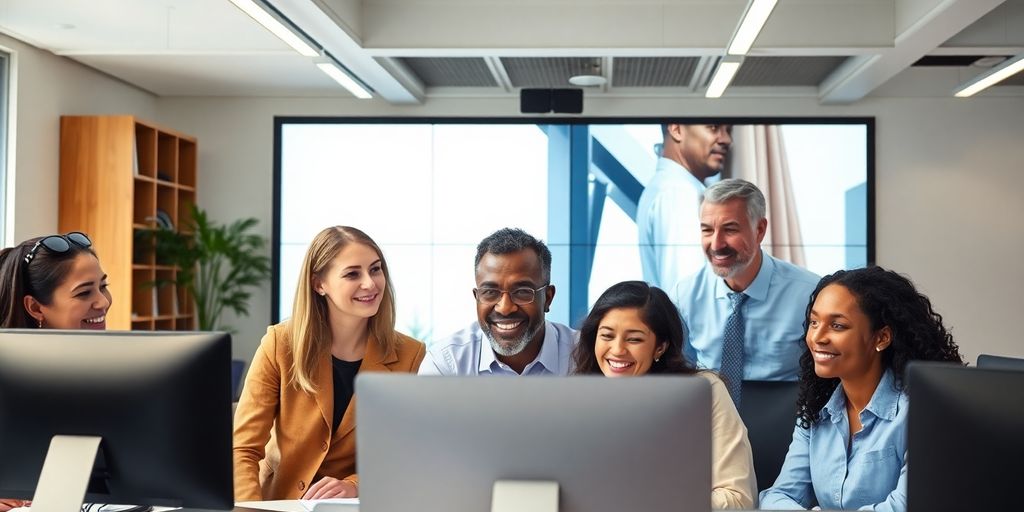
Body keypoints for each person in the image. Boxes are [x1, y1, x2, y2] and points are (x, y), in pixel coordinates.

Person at [233, 226, 425, 501]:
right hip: (280, 503)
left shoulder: (410, 354)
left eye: (375, 269)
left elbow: (405, 452)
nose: (370, 283)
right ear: (318, 284)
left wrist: (356, 485)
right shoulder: (280, 344)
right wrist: (248, 510)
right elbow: (244, 448)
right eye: (352, 274)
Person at [759, 267, 964, 511]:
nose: (817, 337)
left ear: (881, 338)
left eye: (837, 326)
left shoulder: (920, 411)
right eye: (814, 322)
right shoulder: (816, 409)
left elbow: (905, 507)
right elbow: (777, 496)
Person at [571, 280, 757, 509]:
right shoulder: (578, 397)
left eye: (634, 339)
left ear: (660, 347)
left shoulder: (702, 391)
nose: (618, 350)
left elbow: (738, 499)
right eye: (607, 336)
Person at [672, 178, 819, 405]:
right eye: (707, 230)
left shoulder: (809, 295)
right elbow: (679, 372)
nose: (716, 243)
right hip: (711, 425)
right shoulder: (685, 295)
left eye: (730, 229)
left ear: (759, 230)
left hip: (788, 428)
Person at [0, 231, 112, 511]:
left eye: (103, 286)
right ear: (36, 307)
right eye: (84, 292)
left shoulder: (107, 373)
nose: (103, 302)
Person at [419, 227, 576, 376]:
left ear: (548, 298)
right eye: (490, 292)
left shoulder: (585, 354)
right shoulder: (447, 363)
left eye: (522, 292)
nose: (505, 308)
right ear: (477, 298)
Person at [637, 123, 733, 290]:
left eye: (728, 130)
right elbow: (688, 297)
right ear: (677, 129)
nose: (726, 139)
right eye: (713, 127)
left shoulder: (668, 187)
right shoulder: (679, 193)